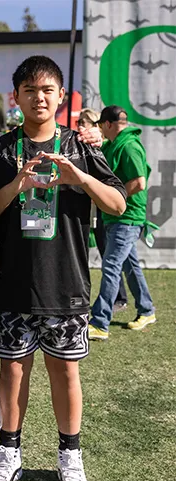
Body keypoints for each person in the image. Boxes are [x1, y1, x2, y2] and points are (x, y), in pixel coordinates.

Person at [0, 56, 126, 481]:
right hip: (14, 284)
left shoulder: (82, 148)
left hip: (66, 283)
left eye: (47, 89)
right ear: (16, 97)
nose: (38, 97)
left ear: (61, 96)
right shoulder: (2, 151)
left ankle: (70, 455)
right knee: (13, 370)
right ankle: (9, 451)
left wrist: (78, 177)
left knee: (65, 372)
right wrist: (18, 184)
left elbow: (118, 204)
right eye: (29, 89)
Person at [89, 106, 156, 340]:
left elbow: (139, 182)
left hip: (127, 217)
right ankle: (146, 310)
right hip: (119, 217)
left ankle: (99, 322)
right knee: (130, 266)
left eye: (100, 126)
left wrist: (114, 199)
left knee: (111, 266)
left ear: (107, 124)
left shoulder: (128, 145)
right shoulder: (116, 144)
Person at [78, 108, 128, 311]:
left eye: (85, 121)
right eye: (79, 121)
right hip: (94, 209)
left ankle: (117, 301)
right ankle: (134, 302)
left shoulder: (103, 147)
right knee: (118, 260)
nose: (80, 125)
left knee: (110, 259)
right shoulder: (81, 144)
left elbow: (123, 184)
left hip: (110, 211)